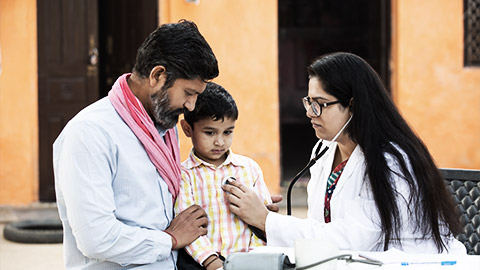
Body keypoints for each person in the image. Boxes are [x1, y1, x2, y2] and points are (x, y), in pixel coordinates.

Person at [223, 52, 466, 254]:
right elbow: (325, 228)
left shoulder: (390, 161)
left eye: (320, 104)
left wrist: (266, 220)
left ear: (353, 105)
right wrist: (267, 220)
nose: (310, 112)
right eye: (308, 102)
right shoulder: (325, 150)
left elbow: (355, 239)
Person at [53, 20, 219, 269]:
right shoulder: (90, 133)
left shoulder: (164, 127)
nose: (191, 107)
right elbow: (96, 238)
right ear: (158, 76)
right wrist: (169, 240)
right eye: (188, 93)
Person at [175, 82, 272, 270]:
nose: (220, 141)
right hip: (204, 265)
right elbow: (187, 229)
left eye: (228, 132)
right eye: (209, 132)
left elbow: (263, 220)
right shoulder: (184, 176)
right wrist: (213, 263)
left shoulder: (249, 169)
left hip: (250, 263)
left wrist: (254, 259)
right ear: (187, 129)